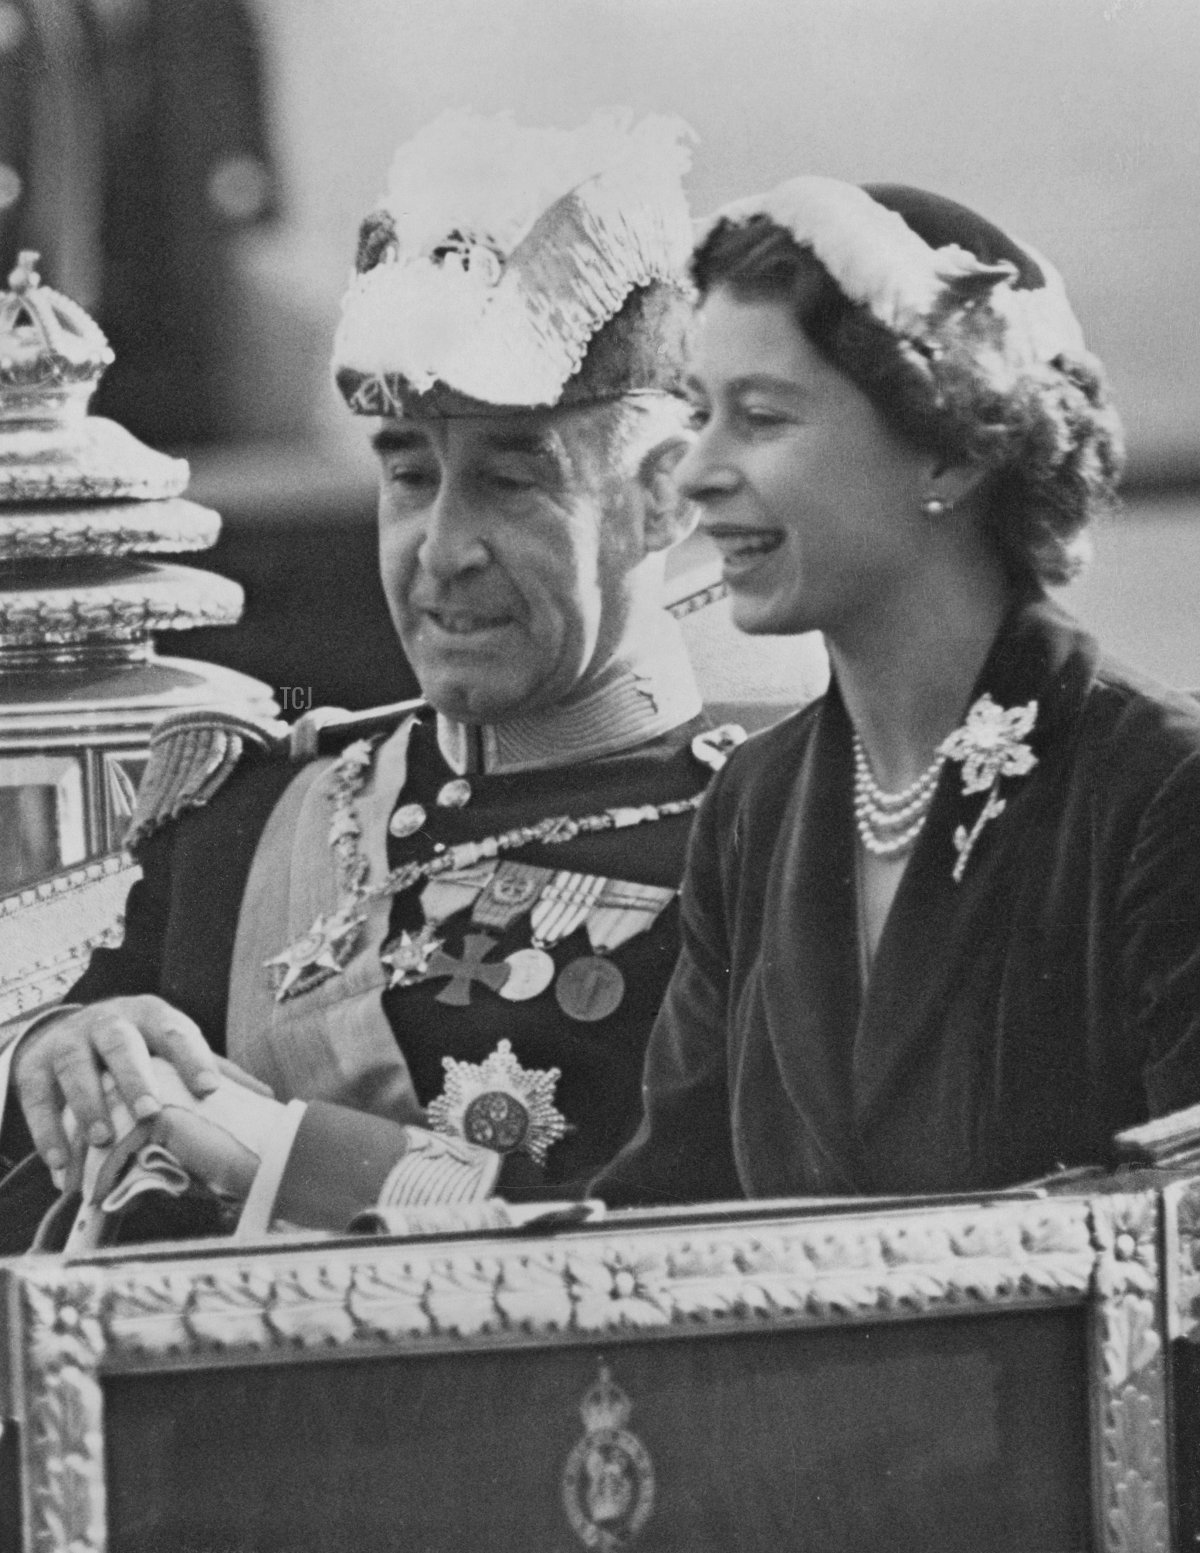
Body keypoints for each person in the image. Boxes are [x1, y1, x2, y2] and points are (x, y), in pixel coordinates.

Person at [1, 110, 736, 1244]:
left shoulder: (749, 844)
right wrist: (58, 1052)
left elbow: (687, 1241)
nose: (442, 547)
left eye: (510, 481)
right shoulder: (245, 812)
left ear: (664, 497)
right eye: (409, 476)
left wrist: (283, 1160)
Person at [594, 176, 1200, 1207]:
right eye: (702, 415)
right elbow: (666, 1211)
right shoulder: (754, 804)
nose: (696, 471)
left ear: (953, 446)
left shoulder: (1159, 792)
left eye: (762, 416)